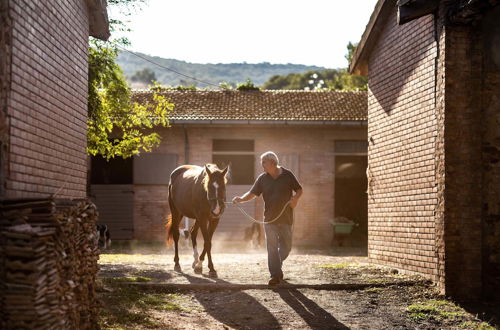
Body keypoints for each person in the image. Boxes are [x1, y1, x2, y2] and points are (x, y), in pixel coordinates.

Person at [232, 151, 303, 285]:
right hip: (269, 219)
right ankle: (274, 276)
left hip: (286, 218)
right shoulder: (262, 178)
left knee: (286, 247)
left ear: (272, 162)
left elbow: (299, 189)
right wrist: (241, 199)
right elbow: (253, 193)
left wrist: (295, 199)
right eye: (262, 162)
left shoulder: (287, 175)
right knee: (271, 248)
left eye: (264, 162)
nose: (262, 165)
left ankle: (277, 264)